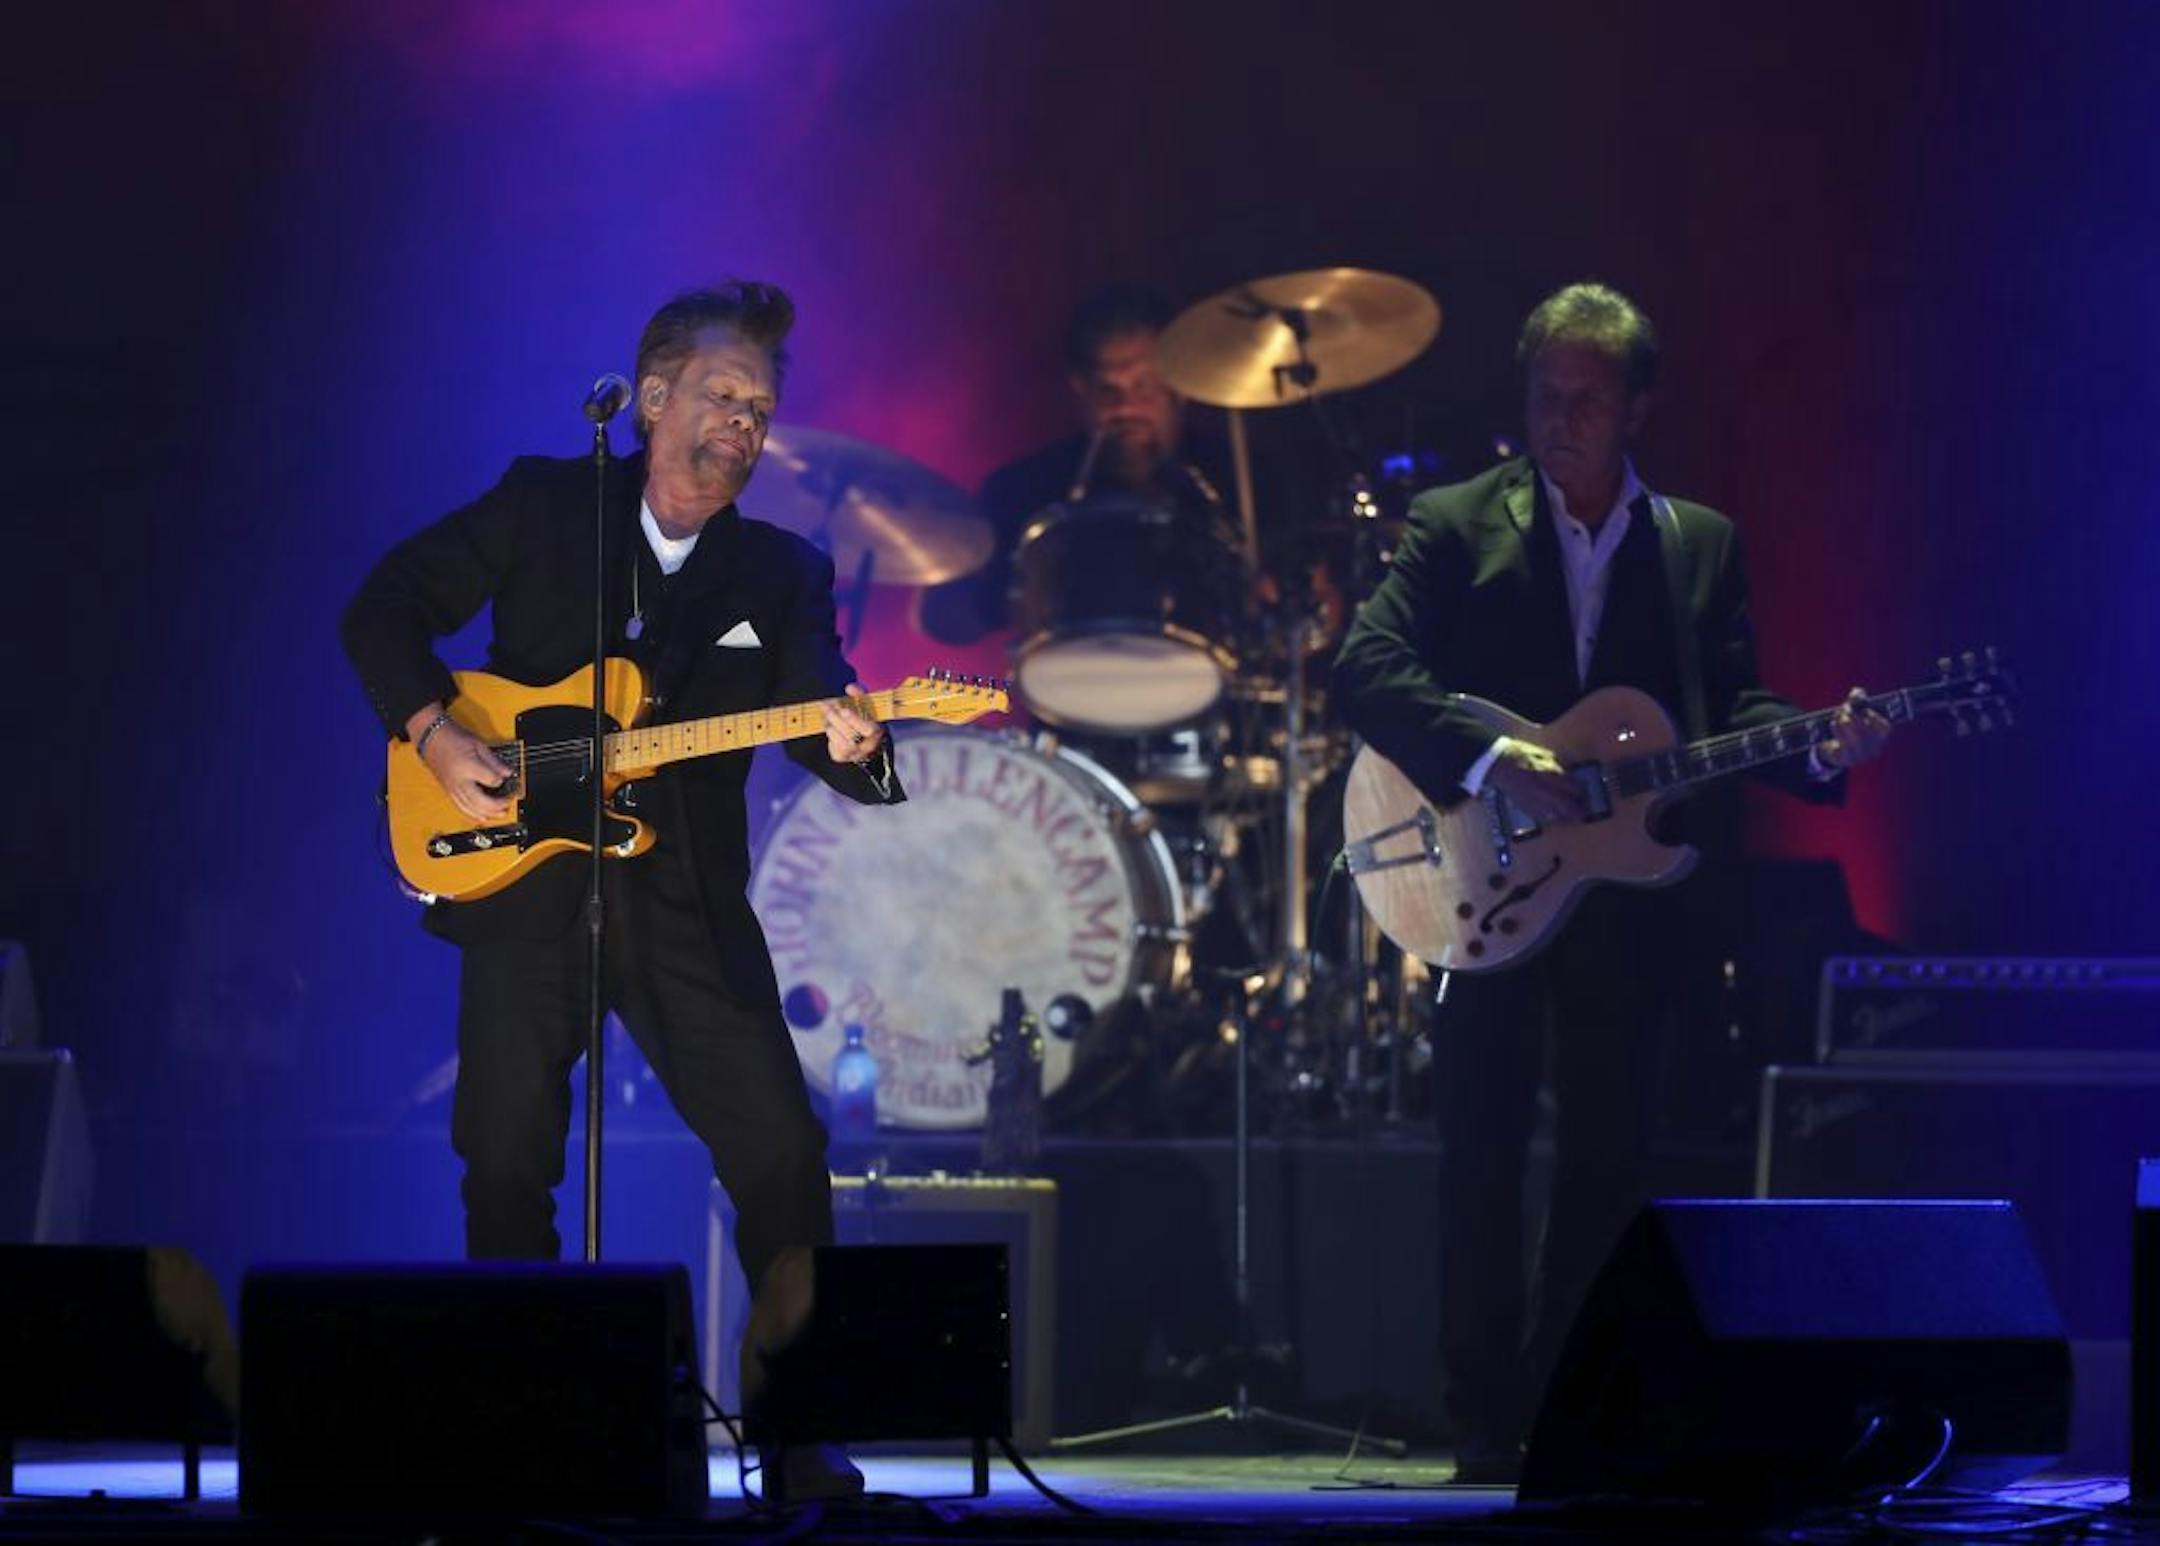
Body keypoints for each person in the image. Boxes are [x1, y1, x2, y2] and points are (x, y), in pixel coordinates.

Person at [341, 281, 898, 1498]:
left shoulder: (783, 571)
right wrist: (436, 734)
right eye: (720, 396)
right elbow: (381, 607)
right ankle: (518, 1427)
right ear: (649, 401)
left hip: (688, 903)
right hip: (526, 885)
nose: (743, 425)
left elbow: (822, 710)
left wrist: (859, 747)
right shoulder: (547, 503)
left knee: (781, 1153)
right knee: (502, 1158)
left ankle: (798, 1432)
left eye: (761, 410)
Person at [1330, 282, 1892, 1479]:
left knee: (1607, 1152)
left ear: (1638, 405)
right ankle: (1483, 1411)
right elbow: (1364, 666)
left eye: (1587, 399)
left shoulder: (1698, 542)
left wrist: (1817, 744)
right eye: (1545, 395)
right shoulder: (1455, 519)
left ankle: (1564, 1404)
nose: (1562, 419)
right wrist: (1492, 757)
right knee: (1478, 1147)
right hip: (1485, 873)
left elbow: (1724, 711)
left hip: (1624, 899)